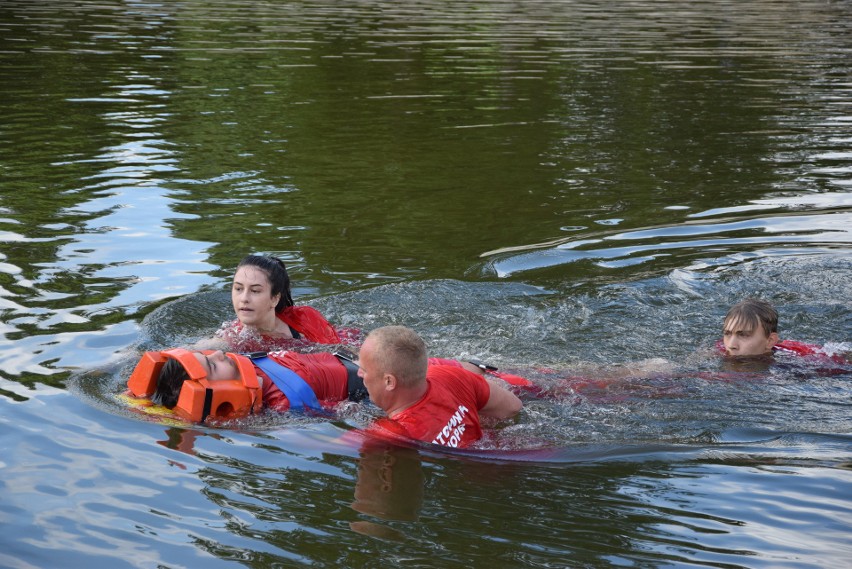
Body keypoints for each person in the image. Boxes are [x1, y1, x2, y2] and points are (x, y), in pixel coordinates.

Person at [356, 326, 522, 449]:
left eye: (364, 370)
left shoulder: (391, 432)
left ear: (389, 382)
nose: (358, 374)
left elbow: (334, 445)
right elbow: (513, 406)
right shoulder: (450, 375)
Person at [126, 347, 367, 422]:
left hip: (349, 354)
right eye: (212, 366)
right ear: (212, 392)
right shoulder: (281, 406)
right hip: (367, 383)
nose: (219, 353)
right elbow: (345, 411)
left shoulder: (244, 366)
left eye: (206, 354)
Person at [208, 254, 363, 352]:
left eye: (255, 291)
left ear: (275, 298)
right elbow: (200, 348)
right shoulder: (233, 337)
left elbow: (344, 353)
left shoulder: (305, 320)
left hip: (350, 338)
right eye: (238, 288)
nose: (244, 298)